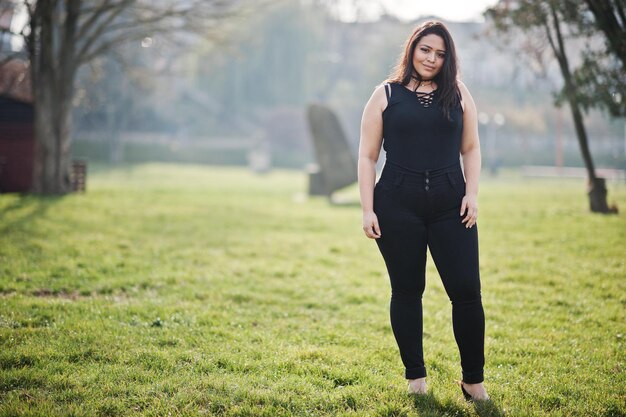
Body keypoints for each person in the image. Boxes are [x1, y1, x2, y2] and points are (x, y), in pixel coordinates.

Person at [357, 20, 489, 401]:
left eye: (441, 53)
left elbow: (472, 148)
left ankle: (473, 381)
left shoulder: (459, 93)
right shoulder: (384, 95)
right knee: (407, 290)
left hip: (453, 205)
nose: (432, 59)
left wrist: (472, 193)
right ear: (412, 49)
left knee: (467, 292)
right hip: (397, 206)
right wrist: (368, 209)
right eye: (426, 50)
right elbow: (367, 157)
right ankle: (416, 378)